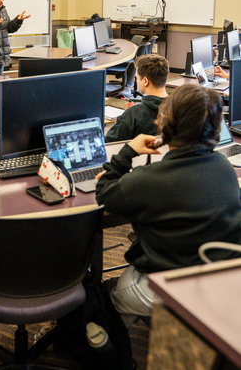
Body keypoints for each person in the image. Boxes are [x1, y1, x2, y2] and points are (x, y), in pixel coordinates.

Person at [96, 84, 241, 327]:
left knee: (113, 293)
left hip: (173, 283)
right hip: (220, 278)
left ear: (164, 123)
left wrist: (128, 151)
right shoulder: (224, 167)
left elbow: (104, 194)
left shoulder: (149, 180)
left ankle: (117, 333)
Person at [105, 54, 169, 143]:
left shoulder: (133, 114)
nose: (137, 81)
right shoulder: (181, 108)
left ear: (145, 81)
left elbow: (108, 143)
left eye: (137, 78)